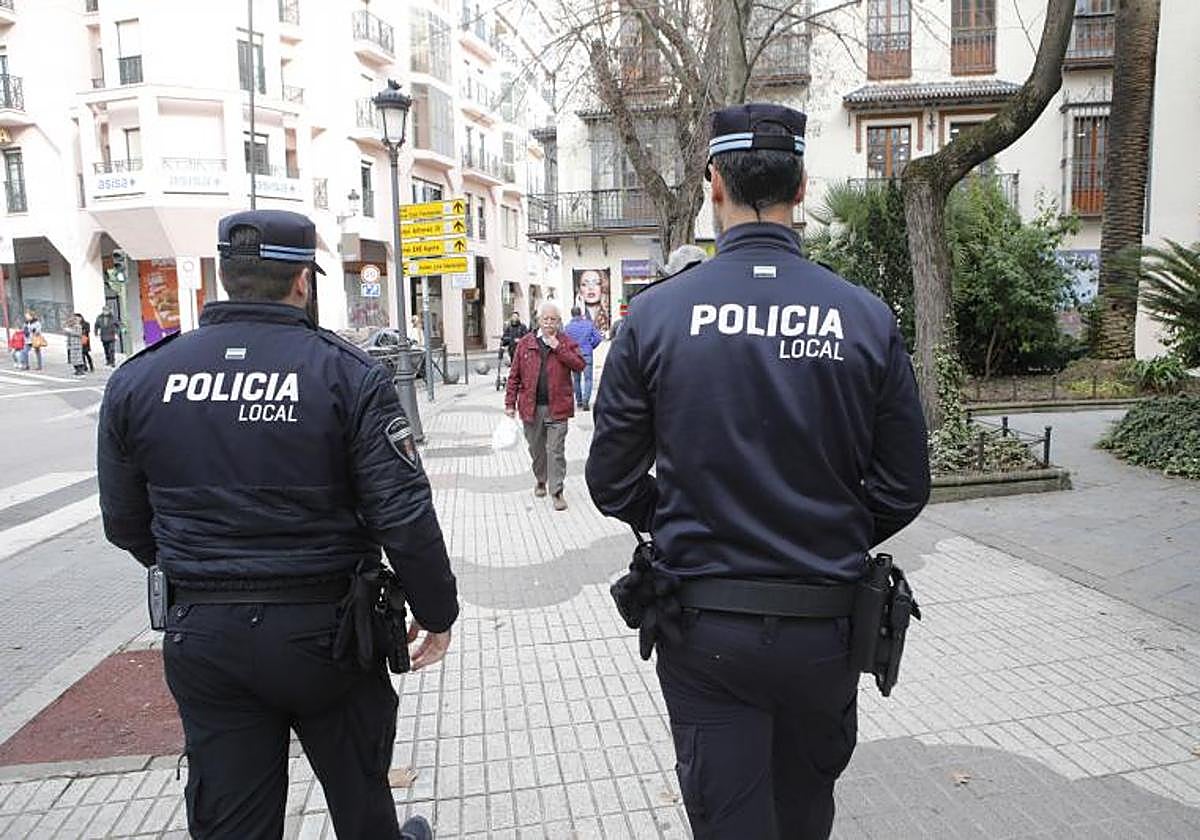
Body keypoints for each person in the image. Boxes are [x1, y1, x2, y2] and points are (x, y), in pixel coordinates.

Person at [586, 104, 930, 839]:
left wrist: (687, 515)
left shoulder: (655, 317)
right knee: (806, 816)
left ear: (714, 183)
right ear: (802, 185)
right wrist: (826, 524)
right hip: (825, 626)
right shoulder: (864, 316)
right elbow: (906, 485)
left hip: (706, 625)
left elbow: (610, 480)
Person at [97, 209, 455, 840]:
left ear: (223, 277)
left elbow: (126, 523)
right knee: (361, 797)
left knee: (232, 818)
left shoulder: (143, 378)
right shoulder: (345, 374)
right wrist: (438, 608)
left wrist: (201, 566)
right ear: (302, 283)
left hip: (204, 633)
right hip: (328, 634)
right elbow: (403, 512)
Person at [504, 300, 585, 511]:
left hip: (558, 407)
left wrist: (558, 348)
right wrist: (509, 403)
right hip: (531, 408)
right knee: (537, 450)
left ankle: (557, 491)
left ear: (559, 322)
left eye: (553, 319)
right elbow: (514, 376)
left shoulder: (565, 341)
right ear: (538, 321)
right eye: (545, 319)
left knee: (555, 450)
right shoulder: (526, 343)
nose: (549, 323)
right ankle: (541, 479)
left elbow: (580, 365)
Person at [563, 306, 603, 411]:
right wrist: (591, 345)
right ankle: (586, 401)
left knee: (576, 379)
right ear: (581, 314)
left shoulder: (567, 327)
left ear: (572, 314)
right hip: (586, 354)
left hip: (574, 355)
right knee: (588, 379)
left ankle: (579, 401)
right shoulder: (588, 324)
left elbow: (564, 342)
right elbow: (598, 338)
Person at [574, 269, 610, 336]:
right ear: (579, 289)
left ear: (603, 287)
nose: (590, 288)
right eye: (584, 284)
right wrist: (582, 313)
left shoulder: (609, 312)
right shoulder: (577, 317)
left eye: (596, 283)